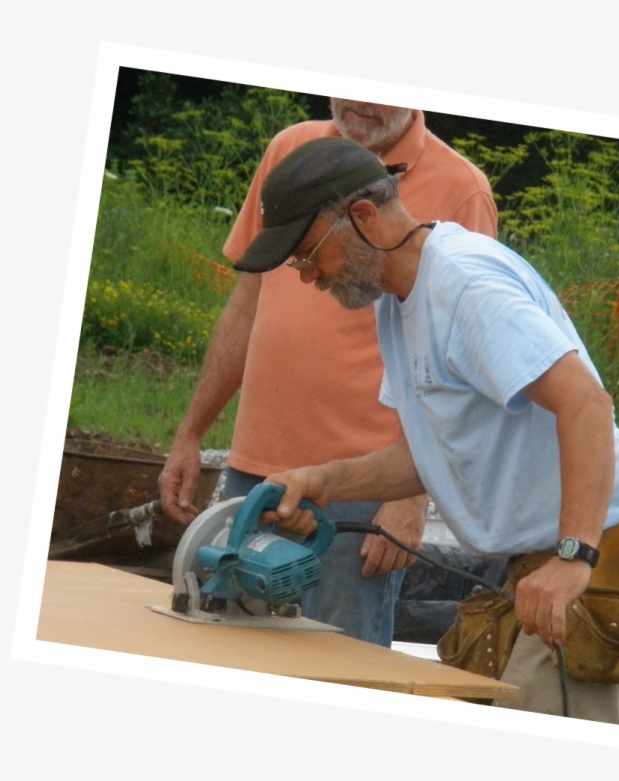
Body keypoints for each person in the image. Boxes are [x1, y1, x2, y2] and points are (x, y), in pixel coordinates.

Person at [239, 136, 619, 723]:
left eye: (306, 255)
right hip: (544, 562)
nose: (307, 277)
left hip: (598, 558)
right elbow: (428, 456)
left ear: (364, 217)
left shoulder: (466, 287)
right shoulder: (398, 300)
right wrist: (325, 481)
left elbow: (585, 404)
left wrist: (574, 557)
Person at [158, 100, 497, 647]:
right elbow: (247, 303)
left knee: (339, 661)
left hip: (363, 487)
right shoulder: (292, 152)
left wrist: (409, 499)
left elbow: (456, 357)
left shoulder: (462, 188)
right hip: (257, 470)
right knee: (231, 647)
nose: (359, 101)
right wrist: (191, 433)